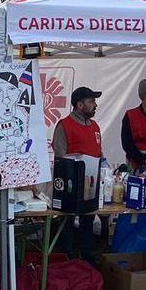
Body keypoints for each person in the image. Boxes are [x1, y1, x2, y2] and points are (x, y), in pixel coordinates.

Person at [52, 86, 103, 265]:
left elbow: (99, 154)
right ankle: (66, 258)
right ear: (80, 104)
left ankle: (86, 257)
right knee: (67, 222)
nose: (95, 105)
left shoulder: (95, 126)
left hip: (91, 183)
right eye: (91, 101)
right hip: (70, 183)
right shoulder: (64, 125)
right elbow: (60, 155)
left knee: (88, 221)